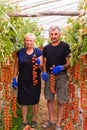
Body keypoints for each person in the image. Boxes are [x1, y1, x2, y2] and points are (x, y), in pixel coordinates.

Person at [41, 26, 70, 130]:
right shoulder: (46, 48)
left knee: (61, 100)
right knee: (50, 98)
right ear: (49, 35)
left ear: (59, 35)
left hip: (61, 76)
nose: (53, 36)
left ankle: (58, 123)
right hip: (49, 75)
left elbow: (69, 63)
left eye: (55, 34)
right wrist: (44, 72)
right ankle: (51, 120)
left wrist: (62, 67)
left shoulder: (65, 46)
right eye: (51, 34)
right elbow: (44, 61)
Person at [12, 33, 43, 128]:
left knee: (35, 101)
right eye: (27, 40)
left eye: (31, 41)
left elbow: (41, 66)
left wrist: (39, 64)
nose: (29, 42)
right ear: (24, 41)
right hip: (23, 80)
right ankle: (24, 121)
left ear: (34, 42)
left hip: (34, 80)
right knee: (23, 101)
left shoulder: (38, 52)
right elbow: (16, 66)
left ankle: (33, 120)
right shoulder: (20, 52)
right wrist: (14, 78)